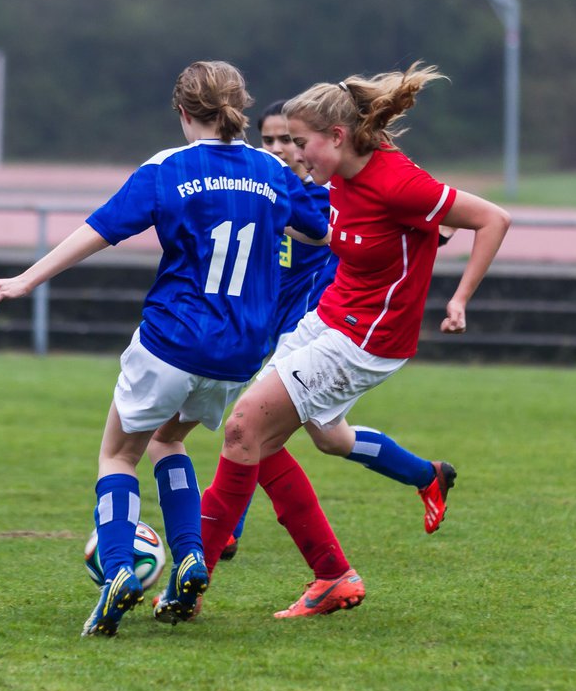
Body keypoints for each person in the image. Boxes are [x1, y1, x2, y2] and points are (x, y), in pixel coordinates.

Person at [0, 60, 329, 636]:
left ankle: (118, 568)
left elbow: (100, 229)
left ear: (184, 112)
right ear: (238, 108)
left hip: (175, 338)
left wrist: (26, 280)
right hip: (239, 353)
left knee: (118, 454)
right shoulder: (272, 170)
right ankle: (189, 556)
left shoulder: (169, 169)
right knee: (169, 441)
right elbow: (322, 230)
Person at [196, 61, 511, 619]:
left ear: (336, 137)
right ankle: (334, 572)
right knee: (286, 439)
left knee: (246, 426)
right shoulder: (337, 176)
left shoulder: (397, 181)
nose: (293, 153)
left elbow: (492, 219)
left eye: (299, 142)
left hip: (367, 340)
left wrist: (458, 298)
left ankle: (192, 580)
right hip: (328, 320)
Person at [211, 100, 458, 563]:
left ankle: (226, 532)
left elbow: (403, 212)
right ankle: (425, 474)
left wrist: (433, 229)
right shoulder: (271, 188)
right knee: (329, 438)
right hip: (273, 319)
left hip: (324, 325)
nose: (280, 149)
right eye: (269, 140)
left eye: (290, 140)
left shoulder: (329, 189)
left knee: (251, 426)